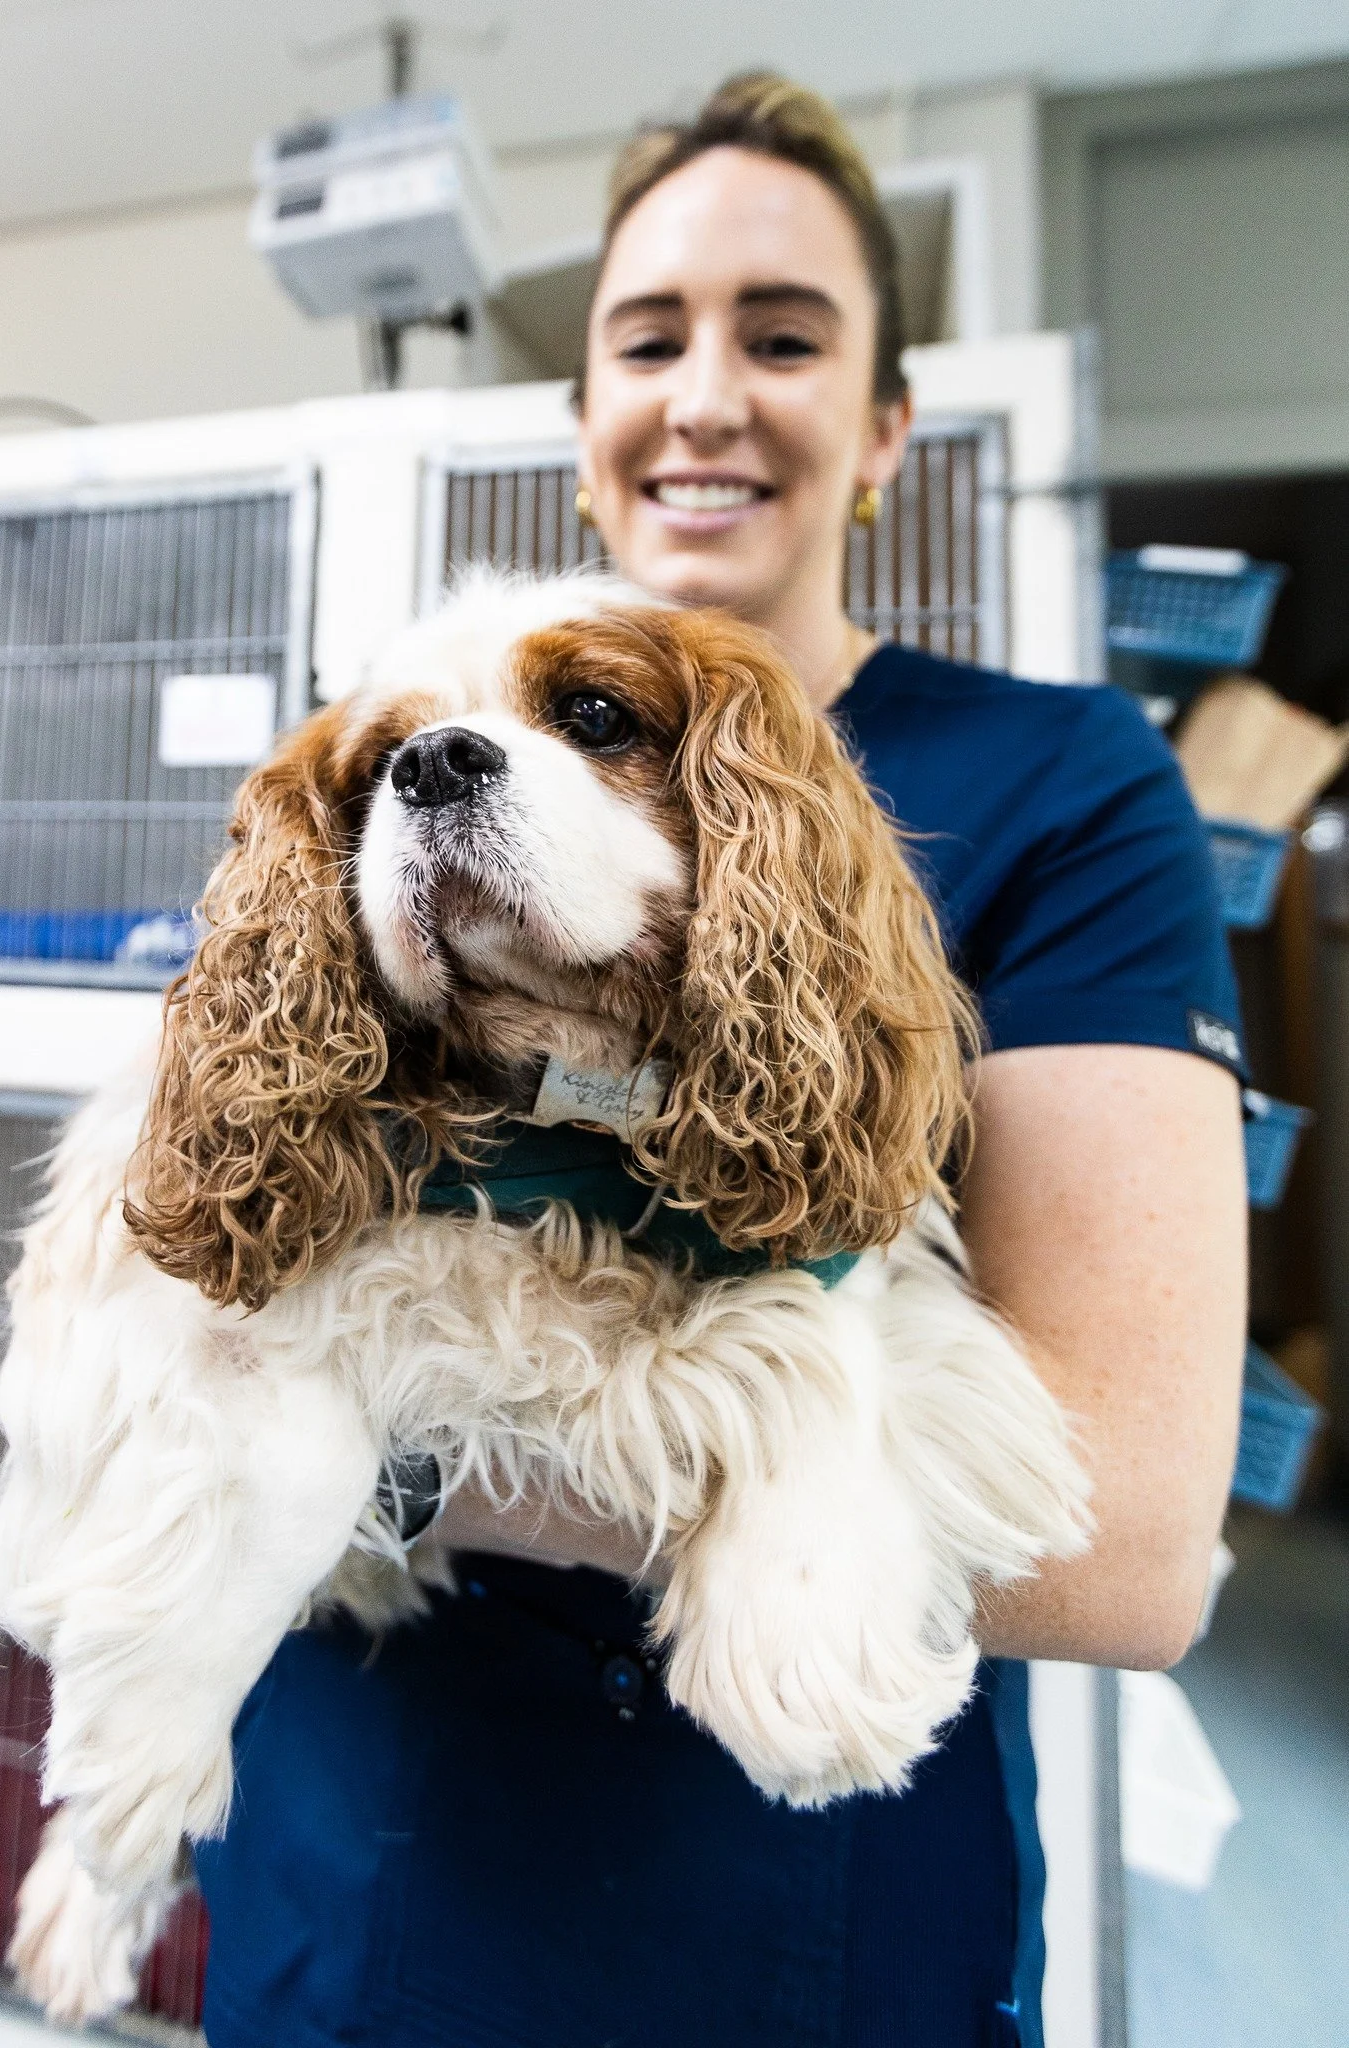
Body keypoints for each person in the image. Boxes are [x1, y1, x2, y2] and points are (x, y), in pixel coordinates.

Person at [194, 74, 1248, 2048]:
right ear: (586, 435)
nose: (704, 395)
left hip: (783, 1909)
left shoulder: (1054, 787)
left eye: (784, 334)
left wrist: (391, 1433)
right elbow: (217, 1249)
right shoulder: (414, 757)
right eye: (647, 337)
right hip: (347, 1851)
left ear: (887, 429)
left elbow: (1128, 1542)